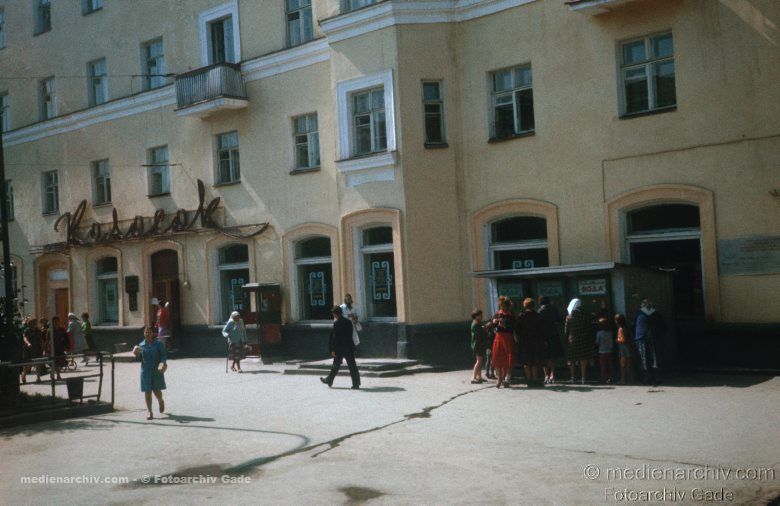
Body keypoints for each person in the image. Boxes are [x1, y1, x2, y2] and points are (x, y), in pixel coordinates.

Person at [320, 306, 360, 389]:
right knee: (352, 366)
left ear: (335, 314)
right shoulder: (348, 322)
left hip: (339, 348)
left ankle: (329, 380)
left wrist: (333, 349)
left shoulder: (337, 323)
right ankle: (356, 383)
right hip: (349, 346)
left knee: (336, 365)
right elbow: (350, 335)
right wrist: (352, 347)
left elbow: (335, 338)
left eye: (333, 314)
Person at [133, 326, 167, 420]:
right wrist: (136, 353)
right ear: (144, 334)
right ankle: (149, 411)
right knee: (147, 391)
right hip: (145, 371)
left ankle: (160, 401)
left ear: (153, 334)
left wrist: (163, 363)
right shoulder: (141, 345)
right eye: (146, 332)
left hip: (156, 370)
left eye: (149, 332)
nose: (147, 334)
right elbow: (138, 358)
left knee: (156, 390)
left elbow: (163, 355)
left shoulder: (158, 344)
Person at [634, 299, 666, 384]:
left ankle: (647, 376)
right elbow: (663, 326)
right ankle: (656, 376)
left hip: (642, 338)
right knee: (655, 357)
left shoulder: (639, 314)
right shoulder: (656, 314)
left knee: (644, 357)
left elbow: (634, 326)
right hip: (654, 337)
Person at [516, 298, 546, 387]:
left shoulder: (521, 316)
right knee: (534, 361)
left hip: (524, 341)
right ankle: (535, 379)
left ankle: (529, 380)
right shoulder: (537, 316)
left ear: (525, 305)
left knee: (526, 362)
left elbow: (517, 330)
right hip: (535, 341)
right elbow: (541, 329)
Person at [565, 298, 594, 384]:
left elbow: (566, 331)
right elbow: (589, 327)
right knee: (583, 359)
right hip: (583, 339)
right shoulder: (584, 315)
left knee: (571, 360)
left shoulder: (569, 317)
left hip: (572, 341)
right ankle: (583, 378)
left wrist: (566, 340)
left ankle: (573, 378)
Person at [538, 296, 564, 384]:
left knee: (544, 356)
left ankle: (546, 375)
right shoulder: (553, 309)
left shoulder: (539, 311)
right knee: (553, 356)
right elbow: (559, 320)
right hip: (553, 335)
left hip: (543, 336)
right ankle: (552, 374)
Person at [490, 296, 515, 389]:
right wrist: (494, 322)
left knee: (508, 358)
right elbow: (492, 324)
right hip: (498, 338)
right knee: (497, 358)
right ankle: (499, 378)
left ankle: (507, 379)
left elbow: (513, 327)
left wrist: (505, 325)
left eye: (504, 306)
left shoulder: (511, 315)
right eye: (501, 305)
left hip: (508, 337)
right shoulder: (497, 314)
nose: (502, 307)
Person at [21, 318, 44, 384]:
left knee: (38, 363)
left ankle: (38, 378)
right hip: (29, 349)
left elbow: (40, 338)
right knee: (28, 365)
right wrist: (28, 343)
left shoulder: (38, 330)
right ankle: (23, 375)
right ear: (30, 323)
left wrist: (42, 345)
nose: (35, 323)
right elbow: (25, 338)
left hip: (37, 349)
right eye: (33, 322)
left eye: (35, 322)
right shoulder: (27, 330)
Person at [614, 313, 634, 385]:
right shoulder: (626, 328)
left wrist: (617, 340)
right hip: (628, 347)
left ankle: (623, 379)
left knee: (622, 364)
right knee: (629, 364)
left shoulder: (620, 329)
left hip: (623, 348)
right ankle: (631, 379)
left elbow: (622, 340)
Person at [469, 310, 487, 384]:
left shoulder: (476, 323)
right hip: (477, 345)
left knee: (480, 361)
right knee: (479, 361)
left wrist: (483, 327)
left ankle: (479, 377)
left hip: (479, 345)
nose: (481, 316)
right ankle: (473, 378)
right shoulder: (476, 324)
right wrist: (485, 328)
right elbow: (479, 333)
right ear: (476, 316)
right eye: (480, 315)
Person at [595, 317, 614, 384]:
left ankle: (603, 378)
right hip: (609, 351)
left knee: (603, 365)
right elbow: (611, 342)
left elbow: (597, 342)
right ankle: (611, 377)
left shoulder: (599, 333)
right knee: (610, 365)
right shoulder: (610, 332)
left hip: (601, 351)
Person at [50, 316, 68, 381]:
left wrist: (66, 346)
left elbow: (66, 338)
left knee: (61, 362)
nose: (56, 323)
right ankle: (58, 375)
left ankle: (53, 373)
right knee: (55, 362)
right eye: (54, 321)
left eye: (57, 321)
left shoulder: (62, 329)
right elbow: (47, 339)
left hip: (60, 348)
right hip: (53, 349)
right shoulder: (50, 330)